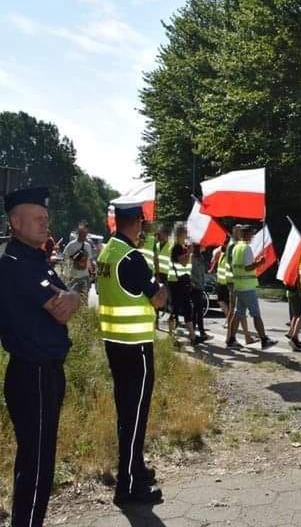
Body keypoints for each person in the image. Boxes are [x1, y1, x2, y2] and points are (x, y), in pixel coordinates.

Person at [0, 187, 81, 527]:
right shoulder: (17, 263)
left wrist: (72, 296)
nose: (45, 224)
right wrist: (71, 297)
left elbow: (68, 298)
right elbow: (61, 309)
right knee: (36, 464)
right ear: (15, 222)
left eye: (46, 219)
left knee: (38, 460)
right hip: (32, 373)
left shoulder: (36, 261)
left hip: (44, 373)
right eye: (37, 218)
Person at [96, 200, 168, 506]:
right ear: (136, 223)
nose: (143, 228)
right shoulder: (133, 258)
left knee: (127, 414)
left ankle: (135, 471)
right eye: (142, 223)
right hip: (136, 347)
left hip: (114, 344)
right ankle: (127, 488)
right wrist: (161, 284)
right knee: (135, 419)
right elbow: (159, 301)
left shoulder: (107, 252)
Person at [231, 225, 277, 349]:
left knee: (238, 313)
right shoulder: (246, 248)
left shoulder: (236, 247)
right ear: (247, 235)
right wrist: (259, 263)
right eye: (252, 234)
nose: (253, 237)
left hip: (239, 285)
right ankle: (264, 339)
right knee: (256, 314)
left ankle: (231, 339)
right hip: (247, 287)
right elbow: (248, 267)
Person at [167, 223, 199, 343]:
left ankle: (192, 336)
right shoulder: (177, 247)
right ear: (180, 233)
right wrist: (189, 252)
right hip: (176, 282)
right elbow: (183, 262)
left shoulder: (181, 246)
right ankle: (172, 337)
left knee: (186, 308)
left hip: (181, 281)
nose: (187, 234)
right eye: (185, 232)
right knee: (177, 309)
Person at [63, 221, 96, 300]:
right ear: (79, 233)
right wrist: (66, 274)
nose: (84, 235)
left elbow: (89, 261)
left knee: (84, 299)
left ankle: (83, 312)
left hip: (85, 276)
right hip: (73, 277)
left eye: (85, 233)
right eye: (82, 233)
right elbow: (65, 258)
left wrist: (92, 273)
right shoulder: (71, 245)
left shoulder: (88, 246)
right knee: (73, 299)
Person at [190, 245, 211, 342]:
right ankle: (199, 331)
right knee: (197, 310)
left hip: (200, 286)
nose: (204, 247)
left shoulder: (201, 258)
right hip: (194, 287)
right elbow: (190, 271)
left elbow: (203, 271)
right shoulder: (191, 257)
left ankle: (196, 331)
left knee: (197, 310)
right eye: (202, 246)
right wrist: (193, 283)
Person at [210, 240, 231, 323]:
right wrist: (212, 269)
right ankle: (229, 318)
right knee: (221, 301)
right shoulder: (221, 254)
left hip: (227, 283)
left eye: (224, 244)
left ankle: (230, 319)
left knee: (226, 302)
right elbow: (214, 260)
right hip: (220, 282)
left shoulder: (230, 256)